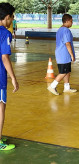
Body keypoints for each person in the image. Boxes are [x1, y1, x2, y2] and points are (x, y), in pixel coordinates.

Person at [0, 2, 19, 150]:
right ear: (6, 17)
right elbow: (5, 57)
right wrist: (13, 77)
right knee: (1, 108)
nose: (12, 20)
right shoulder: (5, 33)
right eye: (12, 17)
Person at [47, 14, 77, 95]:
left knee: (67, 71)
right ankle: (52, 86)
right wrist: (72, 55)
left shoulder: (60, 30)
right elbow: (67, 43)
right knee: (63, 72)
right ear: (66, 21)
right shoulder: (66, 30)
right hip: (64, 54)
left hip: (62, 54)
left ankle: (67, 88)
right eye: (71, 21)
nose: (72, 23)